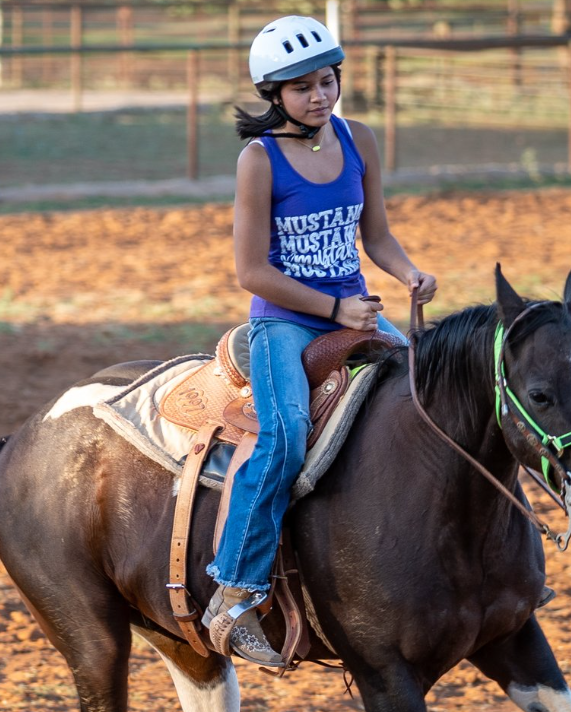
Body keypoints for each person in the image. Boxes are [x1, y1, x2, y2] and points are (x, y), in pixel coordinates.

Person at [202, 16, 438, 666]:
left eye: (327, 81)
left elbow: (377, 236)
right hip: (285, 321)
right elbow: (251, 271)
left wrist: (409, 271)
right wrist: (338, 308)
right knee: (284, 440)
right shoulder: (260, 161)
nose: (319, 95)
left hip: (355, 310)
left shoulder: (358, 139)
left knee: (435, 393)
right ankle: (233, 593)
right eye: (303, 87)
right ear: (274, 94)